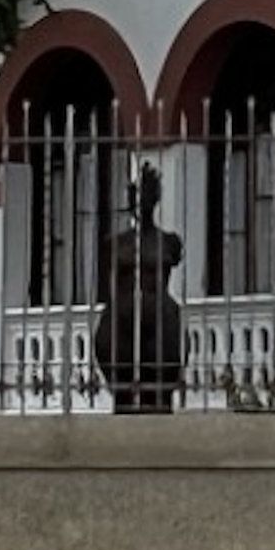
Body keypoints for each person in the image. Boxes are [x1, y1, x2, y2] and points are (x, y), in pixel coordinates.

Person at [93, 164, 185, 414]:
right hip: (123, 316)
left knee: (159, 377)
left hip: (158, 315)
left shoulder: (169, 242)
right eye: (134, 197)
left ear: (154, 201)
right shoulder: (115, 243)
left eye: (144, 197)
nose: (139, 203)